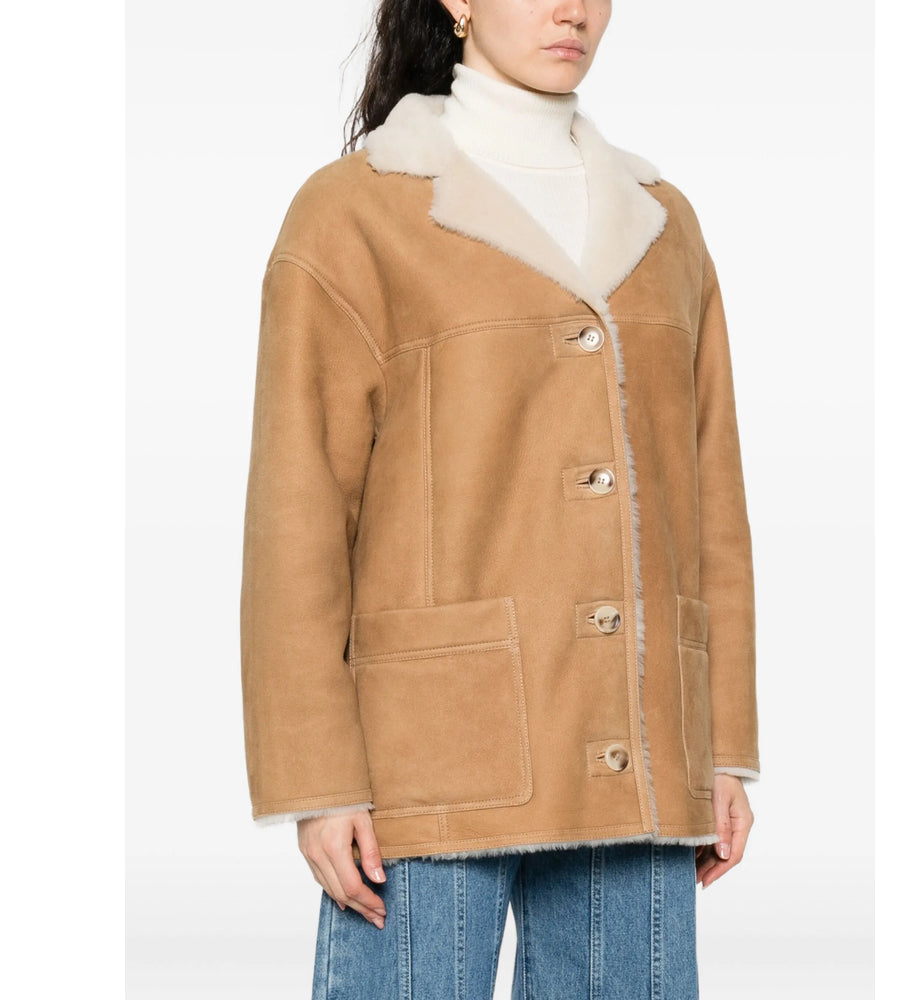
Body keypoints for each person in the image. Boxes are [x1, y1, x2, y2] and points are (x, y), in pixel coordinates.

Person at [240, 1, 760, 996]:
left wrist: (722, 745)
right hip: (427, 756)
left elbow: (711, 503)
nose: (572, 10)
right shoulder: (356, 213)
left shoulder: (662, 222)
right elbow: (297, 511)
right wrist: (317, 778)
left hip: (635, 740)